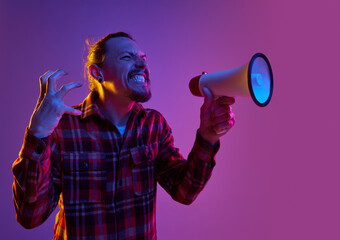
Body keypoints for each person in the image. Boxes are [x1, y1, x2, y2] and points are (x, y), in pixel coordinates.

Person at [12, 32, 235, 240]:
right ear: (97, 72)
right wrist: (37, 133)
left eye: (143, 59)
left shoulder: (154, 126)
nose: (142, 64)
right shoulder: (63, 128)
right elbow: (30, 217)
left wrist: (208, 136)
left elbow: (185, 191)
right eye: (128, 57)